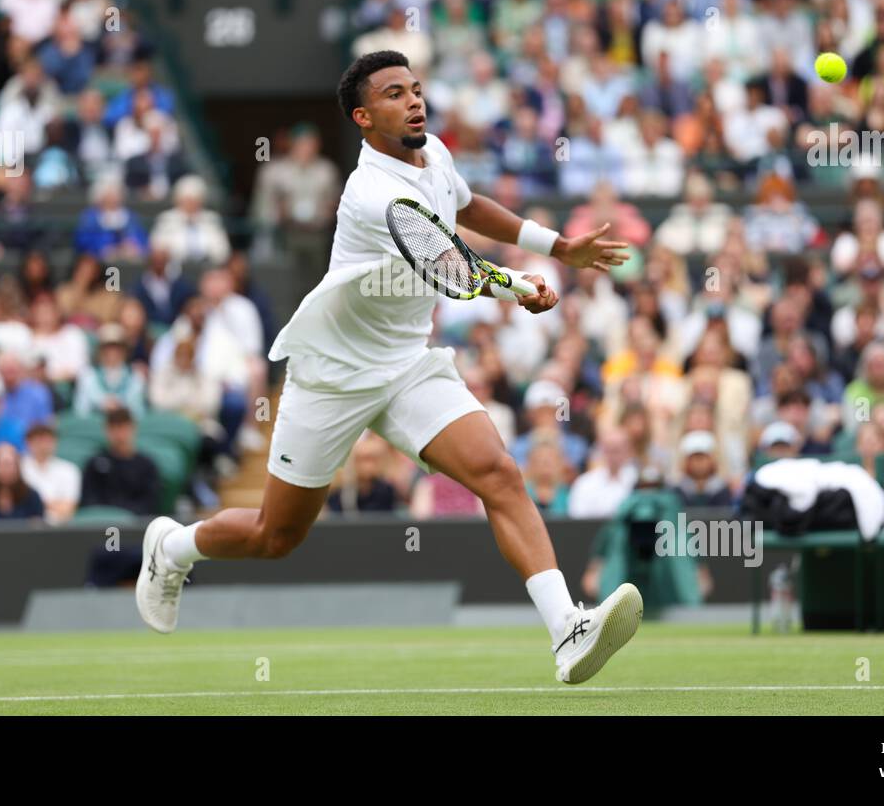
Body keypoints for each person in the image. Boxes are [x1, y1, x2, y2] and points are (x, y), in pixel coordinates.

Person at [136, 52, 641, 684]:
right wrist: (519, 286)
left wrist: (555, 244)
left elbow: (466, 204)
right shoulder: (373, 195)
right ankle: (173, 547)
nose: (414, 101)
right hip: (332, 376)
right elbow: (453, 267)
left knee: (498, 473)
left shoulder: (434, 155)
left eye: (417, 89)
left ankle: (567, 628)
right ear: (364, 117)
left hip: (406, 365)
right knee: (276, 535)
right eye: (395, 94)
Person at [81, 407, 160, 515]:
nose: (119, 434)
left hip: (134, 527)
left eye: (123, 427)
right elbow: (89, 501)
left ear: (133, 428)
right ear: (106, 430)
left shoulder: (147, 466)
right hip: (101, 526)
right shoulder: (94, 464)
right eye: (113, 428)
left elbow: (149, 503)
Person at [20, 422, 81, 525]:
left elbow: (68, 509)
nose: (43, 445)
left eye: (47, 440)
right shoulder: (18, 468)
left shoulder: (69, 470)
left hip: (59, 530)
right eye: (38, 440)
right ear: (28, 442)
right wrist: (52, 504)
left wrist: (36, 504)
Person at [0, 442, 45, 521]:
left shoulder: (32, 497)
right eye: (2, 464)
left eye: (10, 464)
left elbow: (38, 526)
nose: (6, 470)